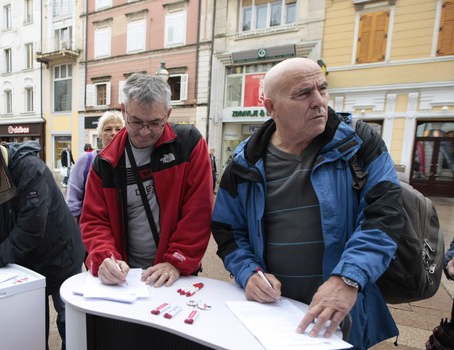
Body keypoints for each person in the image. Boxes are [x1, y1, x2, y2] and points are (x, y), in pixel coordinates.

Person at [211, 57, 404, 349]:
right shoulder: (244, 161)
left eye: (322, 89)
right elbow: (227, 229)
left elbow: (385, 216)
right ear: (271, 108)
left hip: (343, 314)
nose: (319, 101)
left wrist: (347, 279)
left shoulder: (360, 142)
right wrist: (248, 272)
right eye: (303, 93)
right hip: (273, 314)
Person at [0, 133, 85, 349]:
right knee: (32, 324)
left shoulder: (30, 168)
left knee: (71, 321)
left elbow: (31, 228)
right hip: (24, 261)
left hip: (60, 255)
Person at [80, 73, 213, 288]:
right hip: (126, 275)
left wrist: (175, 261)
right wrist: (106, 256)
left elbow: (198, 210)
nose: (144, 132)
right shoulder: (105, 161)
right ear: (124, 111)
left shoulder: (189, 144)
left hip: (174, 273)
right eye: (136, 122)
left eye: (154, 123)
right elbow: (95, 221)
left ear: (168, 114)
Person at [66, 111, 124, 224]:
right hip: (91, 226)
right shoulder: (86, 160)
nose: (113, 133)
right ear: (100, 135)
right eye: (108, 129)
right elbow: (73, 198)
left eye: (118, 129)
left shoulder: (129, 161)